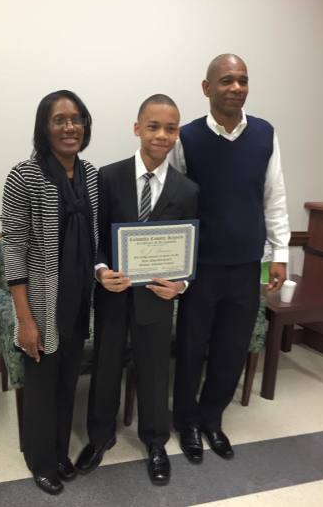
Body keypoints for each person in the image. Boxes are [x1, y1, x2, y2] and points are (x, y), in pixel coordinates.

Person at [170, 54, 290, 463]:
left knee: (231, 348)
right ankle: (184, 421)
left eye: (242, 80)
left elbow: (274, 197)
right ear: (207, 88)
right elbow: (175, 203)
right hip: (199, 268)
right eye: (226, 80)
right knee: (190, 345)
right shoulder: (185, 138)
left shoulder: (264, 134)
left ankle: (211, 418)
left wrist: (280, 253)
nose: (236, 87)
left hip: (246, 265)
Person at [75, 94, 199, 485]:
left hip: (157, 299)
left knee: (154, 368)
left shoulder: (187, 189)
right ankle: (99, 438)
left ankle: (156, 441)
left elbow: (189, 246)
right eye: (153, 126)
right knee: (106, 366)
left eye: (171, 128)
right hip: (113, 293)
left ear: (177, 134)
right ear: (137, 128)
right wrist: (99, 271)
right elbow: (93, 238)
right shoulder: (107, 177)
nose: (162, 135)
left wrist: (179, 284)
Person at [0, 90, 98, 495]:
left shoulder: (91, 175)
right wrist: (25, 320)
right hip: (41, 303)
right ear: (45, 127)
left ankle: (59, 451)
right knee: (41, 386)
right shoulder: (24, 176)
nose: (69, 127)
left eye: (76, 118)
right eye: (59, 119)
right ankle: (40, 460)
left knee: (67, 382)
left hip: (79, 301)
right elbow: (14, 249)